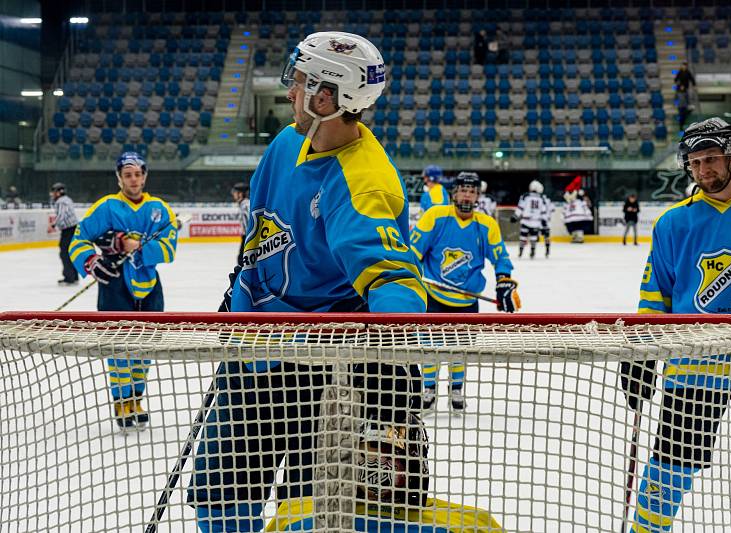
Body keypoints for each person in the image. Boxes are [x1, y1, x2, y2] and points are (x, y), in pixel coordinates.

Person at [187, 31, 427, 533]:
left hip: (316, 370)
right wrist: (240, 295)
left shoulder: (363, 179)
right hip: (251, 349)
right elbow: (257, 235)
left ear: (326, 97)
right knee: (218, 492)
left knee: (309, 508)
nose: (289, 92)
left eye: (298, 84)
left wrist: (394, 370)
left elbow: (394, 280)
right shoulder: (285, 143)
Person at [621, 117, 731, 532]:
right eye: (696, 162)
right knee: (669, 467)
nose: (705, 170)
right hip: (696, 360)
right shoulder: (672, 223)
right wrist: (643, 350)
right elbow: (655, 295)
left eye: (713, 159)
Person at [69, 152, 178, 431]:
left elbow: (169, 248)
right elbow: (79, 239)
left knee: (145, 348)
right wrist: (92, 261)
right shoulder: (106, 208)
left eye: (138, 174)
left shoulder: (159, 208)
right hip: (115, 286)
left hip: (150, 287)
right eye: (127, 174)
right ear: (119, 177)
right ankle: (121, 402)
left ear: (145, 176)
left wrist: (138, 249)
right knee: (118, 347)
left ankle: (136, 399)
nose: (133, 179)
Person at [264, 413, 502, 531]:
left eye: (387, 455)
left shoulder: (296, 515)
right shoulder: (471, 524)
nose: (377, 464)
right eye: (369, 454)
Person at [410, 171, 519, 412]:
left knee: (459, 349)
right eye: (463, 190)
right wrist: (412, 275)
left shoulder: (486, 225)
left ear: (478, 195)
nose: (467, 196)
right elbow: (413, 252)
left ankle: (456, 388)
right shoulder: (435, 217)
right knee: (430, 347)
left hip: (467, 300)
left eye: (472, 191)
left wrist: (503, 280)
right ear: (454, 193)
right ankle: (429, 388)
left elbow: (500, 257)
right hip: (435, 296)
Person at [49, 182, 79, 285]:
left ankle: (69, 277)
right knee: (69, 253)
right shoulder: (67, 199)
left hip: (69, 230)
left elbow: (61, 215)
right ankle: (74, 276)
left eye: (54, 191)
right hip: (72, 229)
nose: (52, 194)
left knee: (65, 253)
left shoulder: (61, 202)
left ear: (59, 192)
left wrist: (53, 225)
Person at [513, 180, 551, 257]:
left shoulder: (525, 196)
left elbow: (520, 207)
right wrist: (544, 222)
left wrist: (515, 216)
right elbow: (543, 211)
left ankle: (521, 251)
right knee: (533, 237)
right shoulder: (541, 198)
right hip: (536, 222)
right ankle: (532, 251)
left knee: (523, 237)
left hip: (525, 221)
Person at [230, 182, 249, 265]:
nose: (233, 195)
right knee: (241, 259)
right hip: (247, 236)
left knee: (242, 260)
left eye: (235, 193)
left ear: (240, 194)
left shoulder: (246, 205)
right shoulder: (243, 204)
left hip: (249, 237)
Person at [674, 62, 695, 131]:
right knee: (681, 112)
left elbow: (691, 79)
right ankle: (681, 124)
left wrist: (694, 85)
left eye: (685, 66)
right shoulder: (679, 72)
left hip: (685, 89)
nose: (684, 67)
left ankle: (683, 123)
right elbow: (676, 79)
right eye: (683, 66)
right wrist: (680, 85)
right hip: (680, 90)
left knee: (685, 110)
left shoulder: (687, 72)